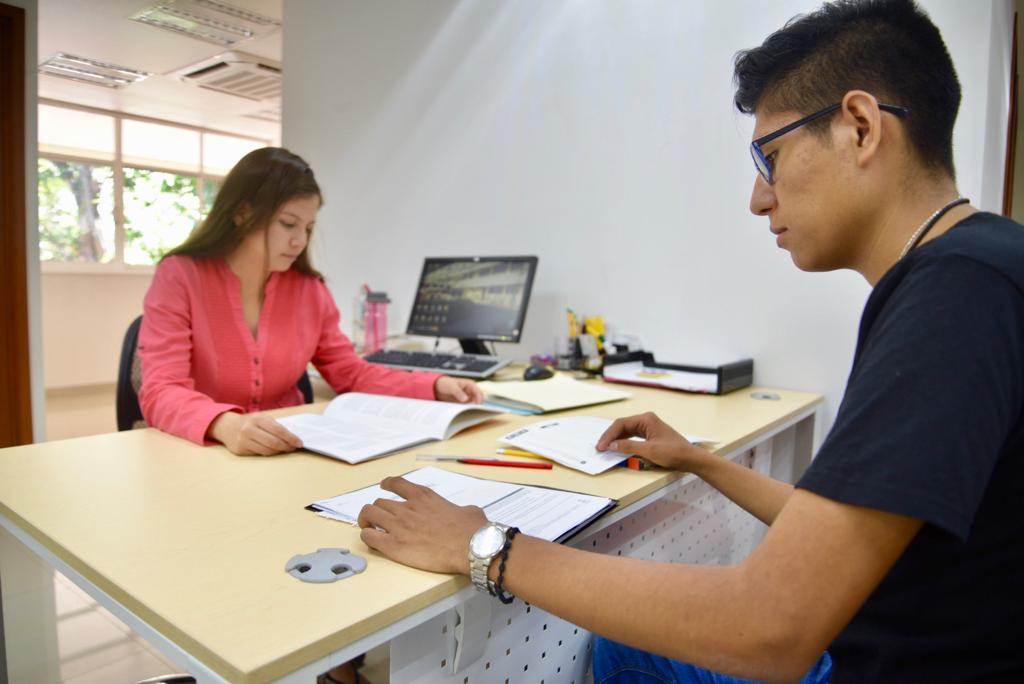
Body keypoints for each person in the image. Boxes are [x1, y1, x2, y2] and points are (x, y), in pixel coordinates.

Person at [353, 1, 1024, 682]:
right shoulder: (980, 265)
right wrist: (700, 461)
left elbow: (771, 626)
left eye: (771, 155)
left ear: (860, 126)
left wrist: (484, 545)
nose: (759, 199)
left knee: (626, 654)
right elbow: (855, 532)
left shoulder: (956, 295)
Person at [138, 146, 482, 456]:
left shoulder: (308, 290)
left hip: (292, 449)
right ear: (242, 213)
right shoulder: (180, 276)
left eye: (308, 228)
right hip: (204, 454)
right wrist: (224, 424)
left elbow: (350, 373)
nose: (300, 240)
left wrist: (433, 385)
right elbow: (160, 390)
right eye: (289, 224)